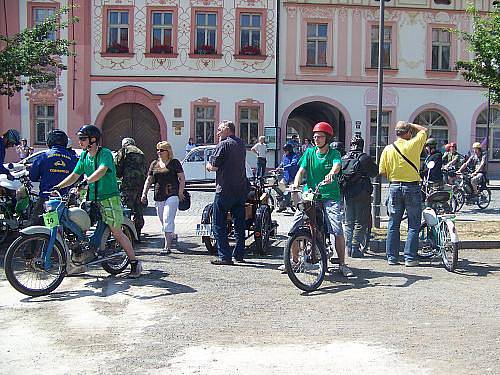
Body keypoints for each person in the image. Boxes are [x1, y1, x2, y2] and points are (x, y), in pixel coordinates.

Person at [54, 124, 142, 278]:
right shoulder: (84, 156)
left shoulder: (105, 153)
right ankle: (79, 262)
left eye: (83, 138)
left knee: (117, 233)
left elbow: (102, 170)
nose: (80, 141)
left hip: (109, 198)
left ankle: (134, 263)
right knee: (80, 227)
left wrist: (87, 181)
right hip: (92, 199)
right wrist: (59, 186)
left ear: (93, 140)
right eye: (79, 138)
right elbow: (75, 175)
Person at [288, 121, 354, 277]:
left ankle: (342, 264)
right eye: (315, 136)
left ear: (327, 138)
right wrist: (296, 184)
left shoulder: (334, 154)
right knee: (295, 226)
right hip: (311, 193)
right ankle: (293, 262)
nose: (316, 139)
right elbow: (301, 170)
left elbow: (336, 165)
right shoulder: (309, 153)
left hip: (330, 196)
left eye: (320, 137)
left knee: (336, 228)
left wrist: (332, 173)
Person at [379, 121, 428, 267]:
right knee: (413, 224)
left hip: (394, 187)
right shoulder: (413, 144)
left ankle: (392, 258)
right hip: (412, 187)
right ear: (407, 133)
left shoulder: (388, 149)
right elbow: (424, 129)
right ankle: (410, 258)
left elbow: (382, 171)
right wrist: (412, 124)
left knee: (393, 223)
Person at [206, 120, 248, 265]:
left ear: (228, 129)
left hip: (224, 189)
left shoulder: (223, 144)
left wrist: (208, 166)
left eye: (220, 129)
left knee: (219, 223)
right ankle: (239, 254)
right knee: (239, 224)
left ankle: (224, 256)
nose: (217, 132)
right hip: (240, 189)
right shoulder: (241, 144)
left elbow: (215, 166)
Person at [141, 141, 186, 254]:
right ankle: (172, 234)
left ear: (168, 151)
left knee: (167, 218)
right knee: (163, 219)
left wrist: (180, 192)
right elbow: (149, 179)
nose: (159, 152)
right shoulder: (154, 164)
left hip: (172, 194)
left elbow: (182, 178)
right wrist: (144, 193)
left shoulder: (174, 163)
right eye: (158, 150)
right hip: (158, 195)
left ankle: (167, 247)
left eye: (161, 150)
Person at [29, 130, 79, 225]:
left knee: (35, 223)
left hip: (46, 198)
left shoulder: (43, 156)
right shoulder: (73, 158)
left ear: (49, 141)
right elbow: (78, 177)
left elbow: (33, 176)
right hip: (65, 200)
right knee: (70, 226)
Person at [342, 136, 378, 258]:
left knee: (349, 221)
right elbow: (374, 172)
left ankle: (348, 247)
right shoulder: (364, 158)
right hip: (362, 192)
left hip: (347, 192)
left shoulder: (344, 157)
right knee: (360, 221)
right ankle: (355, 247)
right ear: (361, 145)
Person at [115, 137, 148, 241]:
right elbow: (145, 169)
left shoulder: (124, 151)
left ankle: (127, 234)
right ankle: (138, 233)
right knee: (138, 209)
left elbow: (117, 166)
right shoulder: (141, 152)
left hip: (128, 184)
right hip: (140, 184)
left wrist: (118, 175)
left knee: (126, 209)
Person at [276, 143, 300, 212]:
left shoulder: (295, 156)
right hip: (286, 177)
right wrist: (278, 168)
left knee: (293, 192)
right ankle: (282, 206)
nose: (285, 152)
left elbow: (293, 164)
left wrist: (284, 168)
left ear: (290, 150)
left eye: (286, 150)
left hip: (293, 177)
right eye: (284, 150)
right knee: (279, 190)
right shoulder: (284, 156)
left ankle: (297, 208)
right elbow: (282, 163)